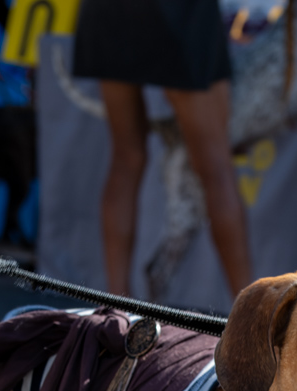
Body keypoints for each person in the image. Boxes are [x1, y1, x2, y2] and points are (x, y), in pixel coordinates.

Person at [73, 0, 251, 299]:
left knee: (126, 157)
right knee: (216, 170)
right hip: (177, 13)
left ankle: (116, 306)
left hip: (107, 10)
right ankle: (250, 310)